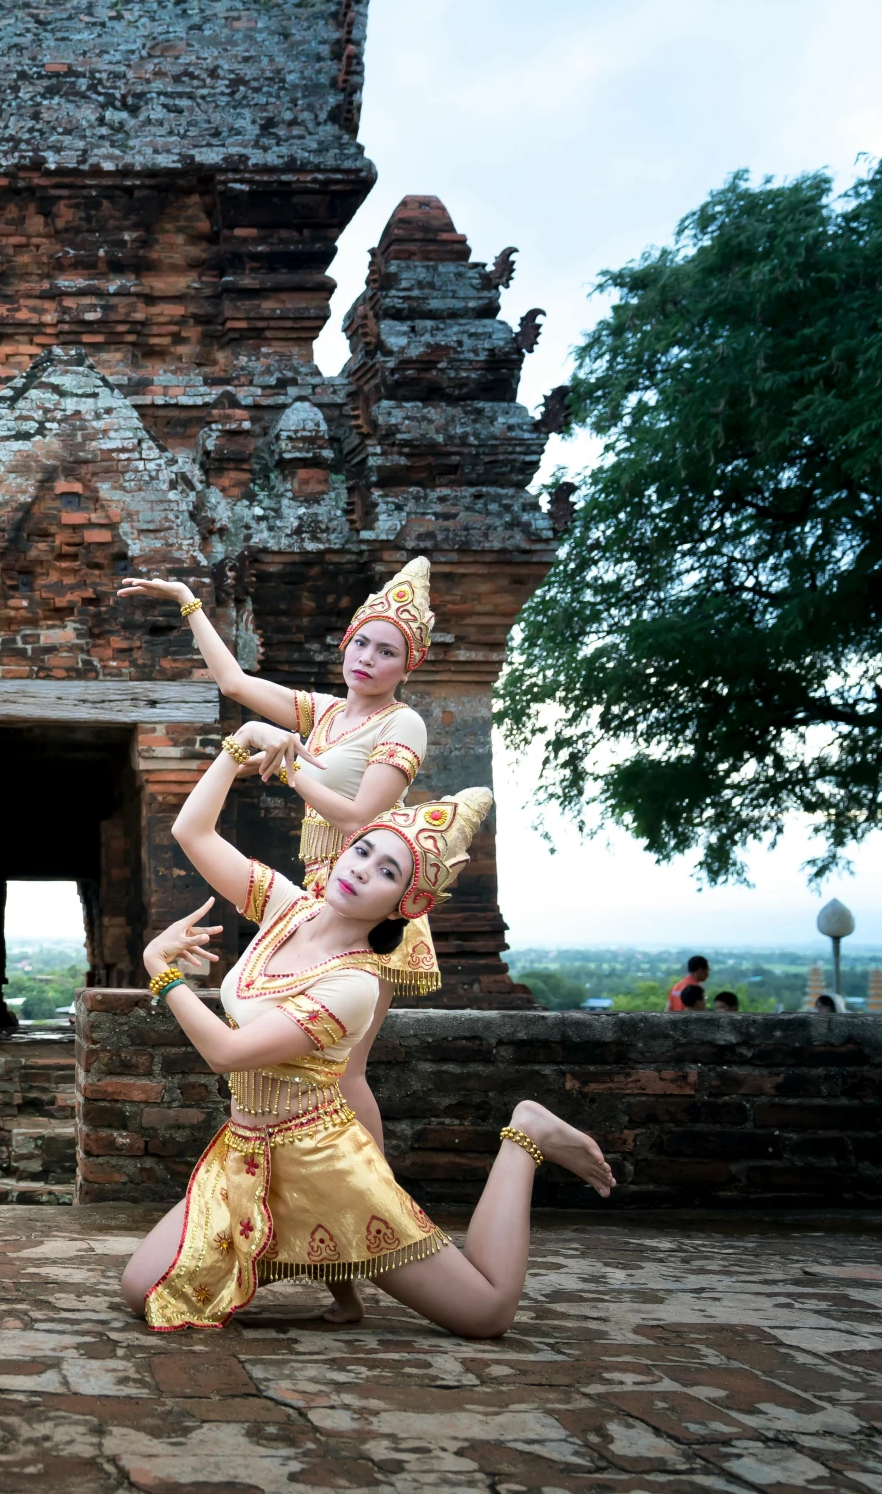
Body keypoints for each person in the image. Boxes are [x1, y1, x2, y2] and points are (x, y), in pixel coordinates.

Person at [126, 734, 614, 1338]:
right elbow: (193, 834)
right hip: (246, 1153)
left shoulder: (353, 984)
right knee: (141, 1288)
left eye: (388, 872)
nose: (362, 870)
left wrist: (161, 970)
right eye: (363, 850)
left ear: (402, 905)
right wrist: (238, 747)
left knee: (483, 1315)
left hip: (323, 1165)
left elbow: (225, 1053)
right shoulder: (289, 909)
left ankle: (526, 1137)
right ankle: (339, 1290)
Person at [123, 557, 437, 1323]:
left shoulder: (404, 724)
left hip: (372, 900)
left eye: (386, 650)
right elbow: (234, 685)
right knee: (292, 1069)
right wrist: (190, 601)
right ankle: (323, 1257)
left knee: (344, 1077)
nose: (367, 659)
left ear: (410, 664)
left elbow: (366, 820)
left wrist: (290, 765)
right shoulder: (329, 713)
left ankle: (366, 1233)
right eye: (360, 643)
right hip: (306, 901)